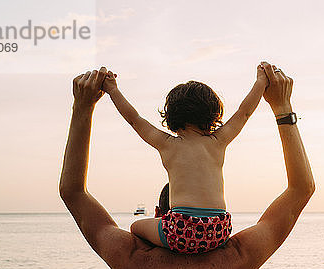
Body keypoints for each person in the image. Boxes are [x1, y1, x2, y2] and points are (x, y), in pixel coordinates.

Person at [59, 62, 314, 269]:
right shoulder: (238, 258)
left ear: (160, 216)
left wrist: (83, 107)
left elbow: (73, 191)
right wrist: (282, 107)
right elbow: (301, 189)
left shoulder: (132, 259)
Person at [100, 64, 270, 254]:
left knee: (136, 227)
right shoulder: (218, 141)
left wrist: (113, 90)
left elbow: (134, 119)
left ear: (172, 116)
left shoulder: (167, 144)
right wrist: (260, 82)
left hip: (179, 232)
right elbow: (244, 112)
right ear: (213, 114)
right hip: (219, 230)